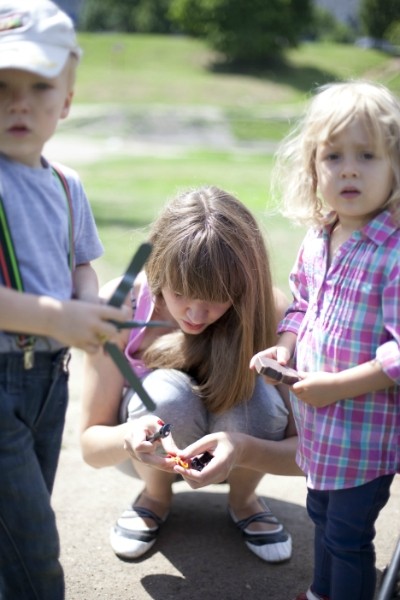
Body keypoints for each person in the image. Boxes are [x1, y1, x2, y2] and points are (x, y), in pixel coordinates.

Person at [80, 185, 302, 565]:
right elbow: (90, 445)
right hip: (146, 457)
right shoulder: (121, 305)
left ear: (244, 285)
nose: (196, 315)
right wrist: (129, 436)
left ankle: (243, 499)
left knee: (257, 399)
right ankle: (156, 496)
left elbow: (308, 452)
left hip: (238, 453)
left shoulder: (269, 308)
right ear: (157, 268)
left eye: (217, 297)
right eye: (181, 293)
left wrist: (244, 448)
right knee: (164, 395)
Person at [248, 81, 400, 600]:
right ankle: (321, 592)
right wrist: (285, 348)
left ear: (395, 167)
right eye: (333, 156)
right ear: (313, 168)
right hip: (318, 430)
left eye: (367, 155)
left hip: (363, 436)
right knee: (320, 515)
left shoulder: (393, 253)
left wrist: (336, 385)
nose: (349, 169)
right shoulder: (319, 237)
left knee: (348, 535)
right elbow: (302, 304)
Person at [0, 2, 126, 599]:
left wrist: (89, 308)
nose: (18, 102)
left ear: (67, 101)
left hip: (49, 378)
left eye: (38, 86)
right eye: (0, 86)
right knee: (34, 550)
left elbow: (82, 264)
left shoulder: (66, 183)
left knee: (19, 520)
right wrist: (60, 316)